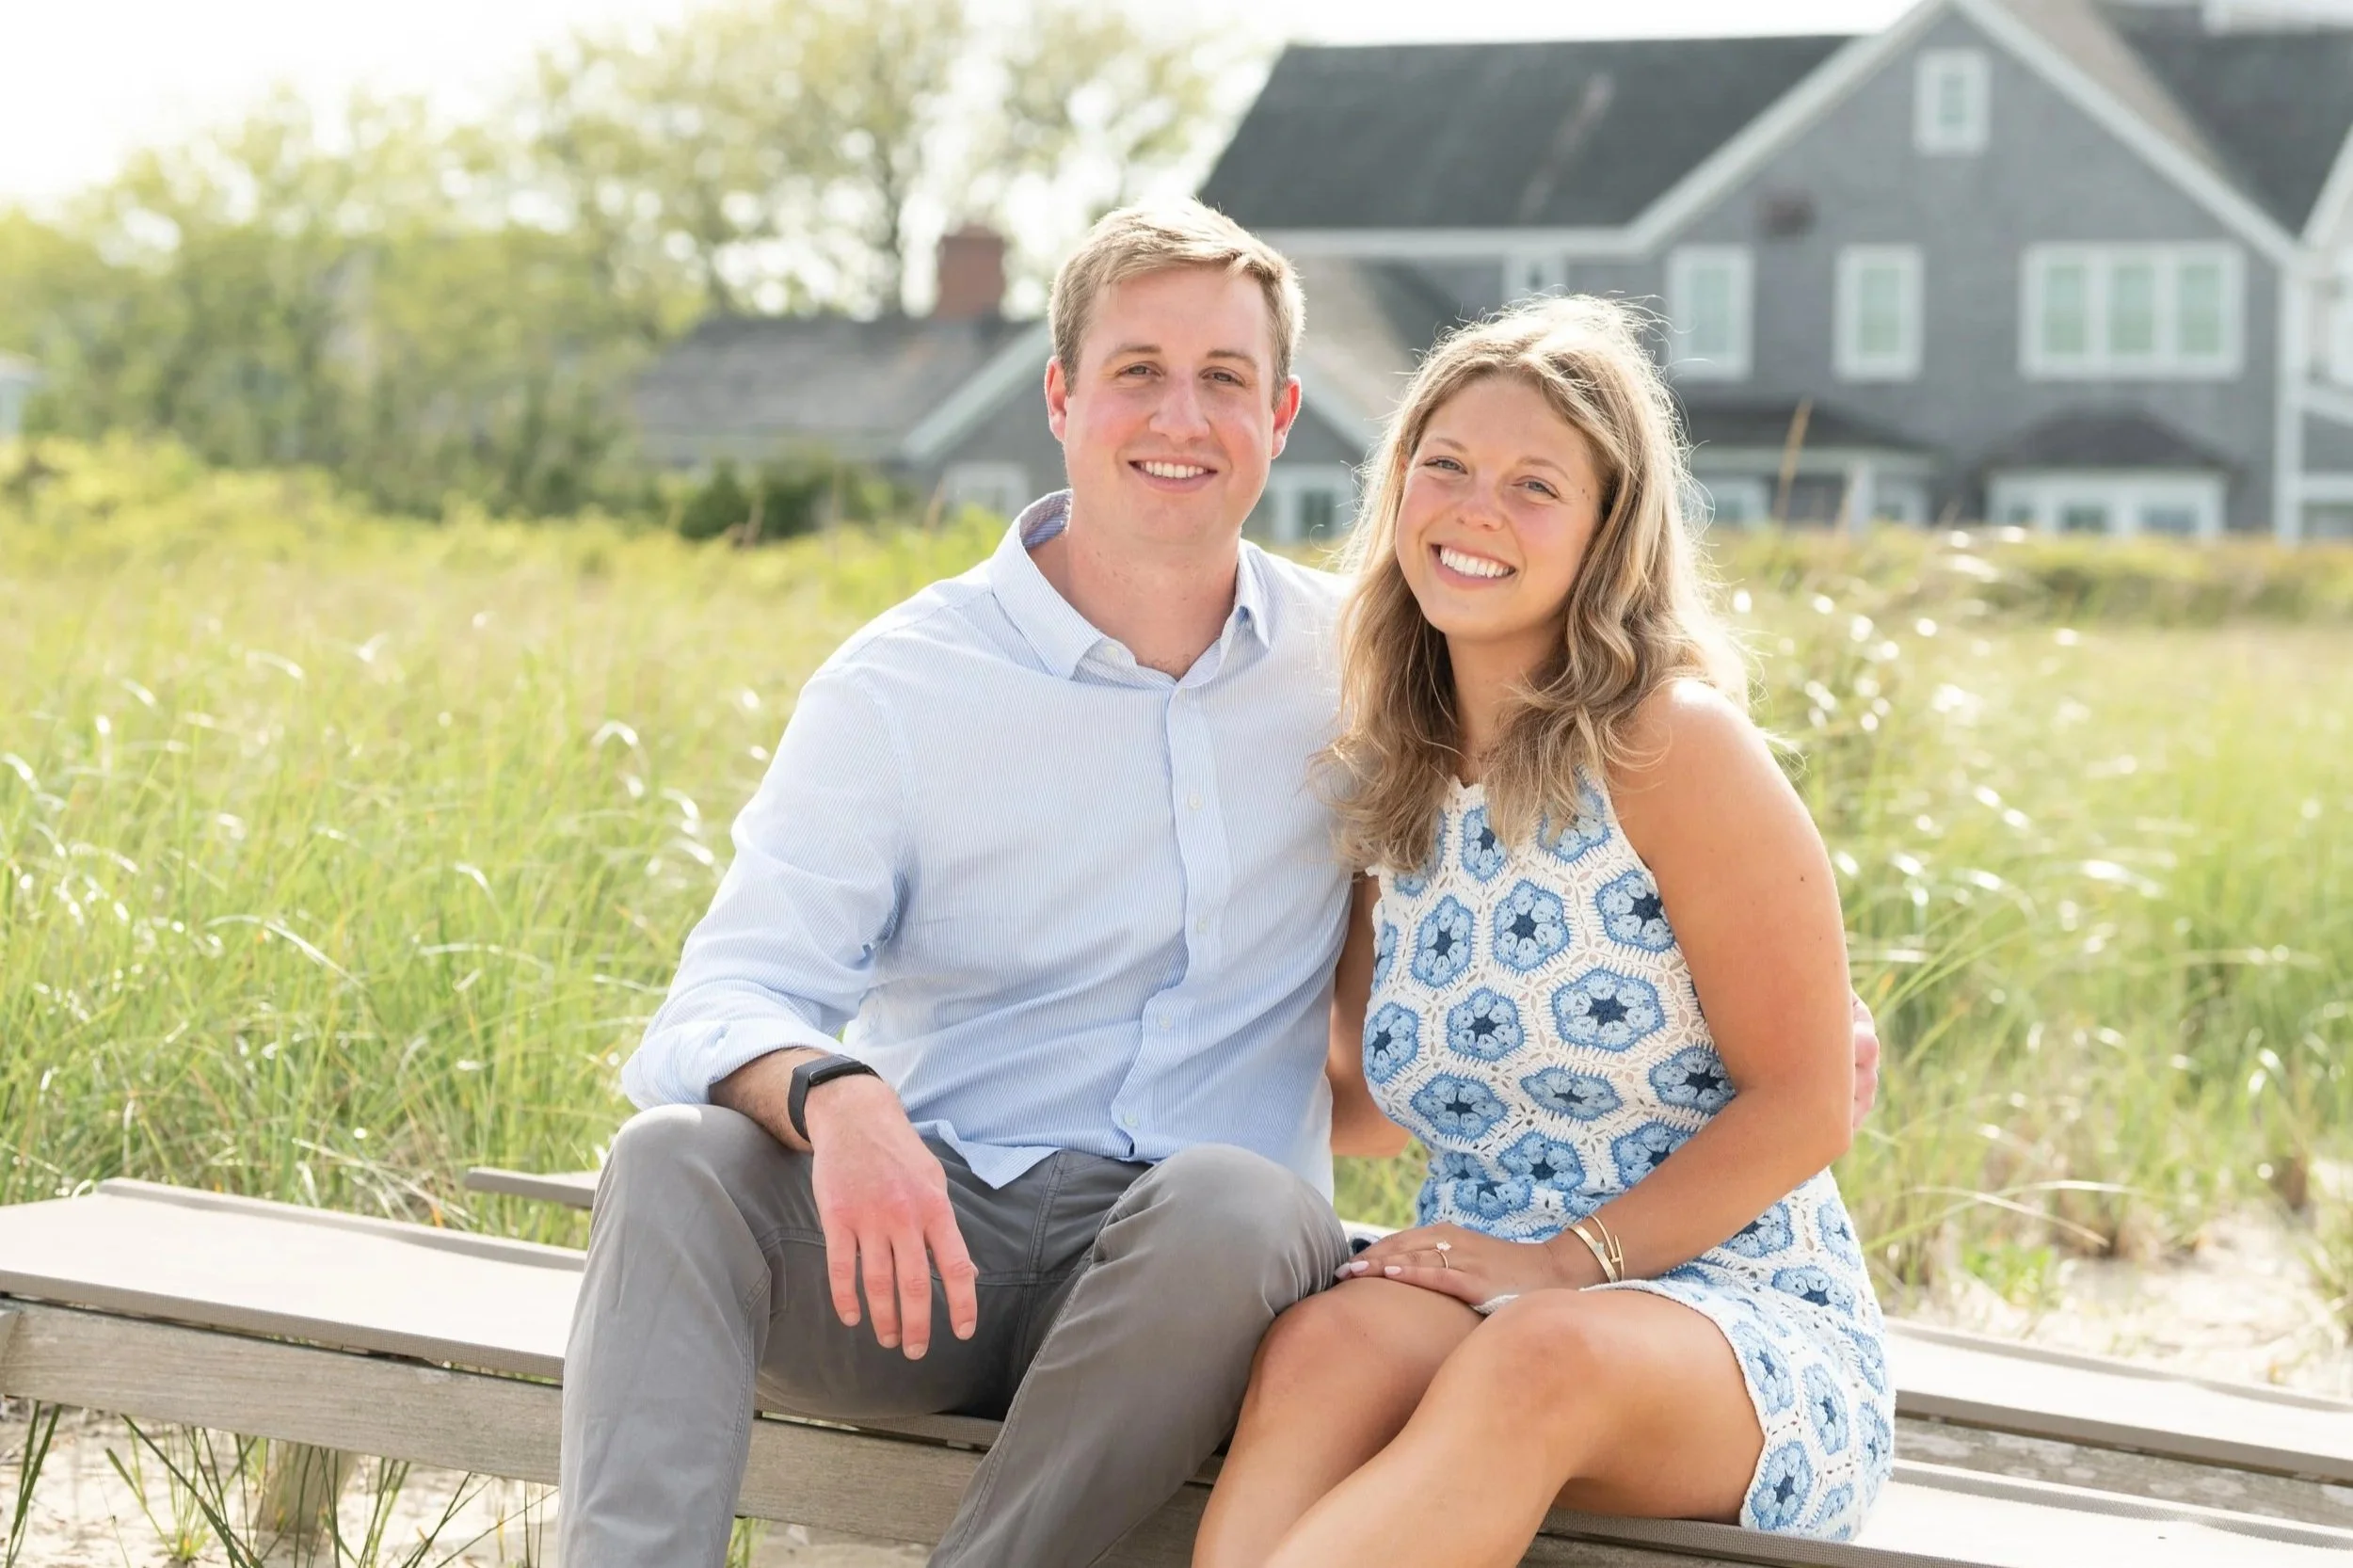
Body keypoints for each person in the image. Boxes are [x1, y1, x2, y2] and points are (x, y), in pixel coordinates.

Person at [557, 202, 1881, 1568]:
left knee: (1245, 1205)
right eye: (1138, 370)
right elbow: (723, 992)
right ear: (1060, 395)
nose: (1180, 416)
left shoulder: (1360, 680)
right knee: (672, 1156)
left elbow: (1751, 1065)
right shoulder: (933, 689)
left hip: (1235, 1273)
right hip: (936, 1249)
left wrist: (1778, 1052)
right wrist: (832, 1095)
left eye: (1224, 379)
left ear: (1284, 415)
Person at [1192, 296, 1892, 1568]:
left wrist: (1570, 1263)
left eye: (1534, 485)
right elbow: (1362, 1109)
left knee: (1536, 1356)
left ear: (1606, 533)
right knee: (1325, 1341)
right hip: (1483, 1279)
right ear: (1399, 485)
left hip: (1730, 1316)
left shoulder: (1673, 748)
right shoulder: (1389, 784)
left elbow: (1804, 1104)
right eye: (1446, 465)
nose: (1475, 509)